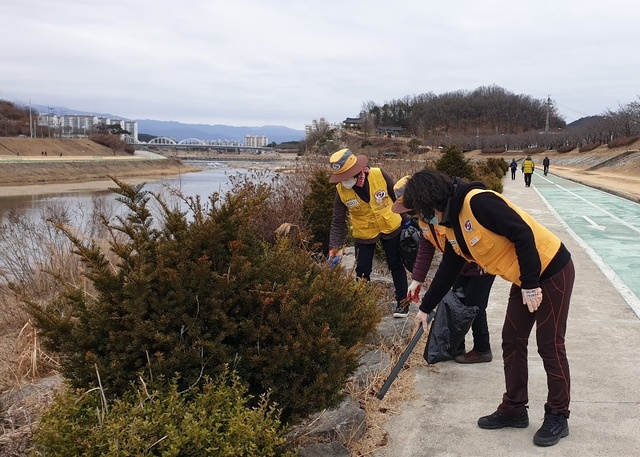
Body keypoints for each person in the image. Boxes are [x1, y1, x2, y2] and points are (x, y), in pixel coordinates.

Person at [402, 168, 574, 447]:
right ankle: (515, 408)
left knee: (550, 345)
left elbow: (523, 233)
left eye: (423, 212)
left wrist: (531, 284)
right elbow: (449, 267)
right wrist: (426, 307)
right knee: (512, 340)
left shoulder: (478, 202)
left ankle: (558, 414)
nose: (424, 220)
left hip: (551, 269)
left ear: (432, 201)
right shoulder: (450, 222)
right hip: (525, 277)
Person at [392, 176, 496, 363]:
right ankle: (457, 346)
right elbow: (426, 247)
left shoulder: (449, 211)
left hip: (480, 263)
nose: (413, 214)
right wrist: (417, 279)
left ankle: (483, 349)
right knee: (456, 303)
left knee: (475, 305)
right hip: (455, 266)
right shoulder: (425, 220)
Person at [327, 148, 409, 318]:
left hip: (390, 225)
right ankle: (363, 308)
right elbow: (337, 221)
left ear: (356, 170)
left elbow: (396, 198)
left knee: (396, 265)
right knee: (363, 270)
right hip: (364, 233)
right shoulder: (341, 190)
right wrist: (334, 247)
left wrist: (408, 221)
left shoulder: (379, 174)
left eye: (346, 175)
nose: (343, 180)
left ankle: (403, 303)